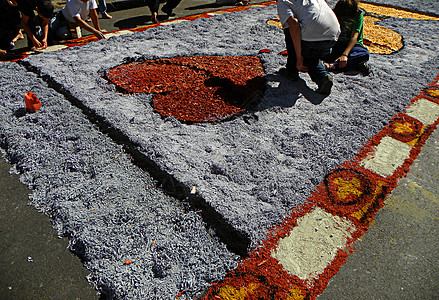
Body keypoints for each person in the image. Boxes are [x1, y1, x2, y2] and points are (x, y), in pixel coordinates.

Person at [277, 0, 341, 95]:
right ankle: (322, 77)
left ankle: (291, 71)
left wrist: (298, 57)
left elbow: (294, 25)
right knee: (311, 55)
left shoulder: (282, 1)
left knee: (289, 29)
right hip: (333, 35)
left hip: (312, 37)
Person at [323, 0, 370, 75]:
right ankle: (355, 64)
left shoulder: (358, 14)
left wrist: (345, 55)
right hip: (337, 43)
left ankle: (333, 66)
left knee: (364, 54)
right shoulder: (335, 12)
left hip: (353, 46)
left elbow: (354, 36)